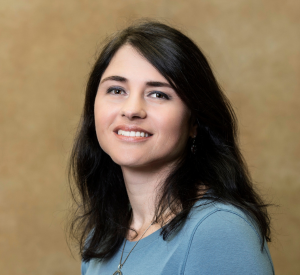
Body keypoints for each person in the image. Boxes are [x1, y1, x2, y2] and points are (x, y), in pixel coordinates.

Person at [68, 20, 274, 275]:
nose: (131, 110)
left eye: (159, 94)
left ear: (194, 122)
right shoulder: (102, 238)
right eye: (116, 89)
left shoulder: (218, 231)